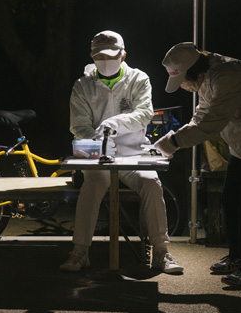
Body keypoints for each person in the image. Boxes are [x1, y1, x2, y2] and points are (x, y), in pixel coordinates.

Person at [155, 42, 241, 286]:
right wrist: (174, 139)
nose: (184, 86)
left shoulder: (228, 76)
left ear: (194, 70)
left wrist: (173, 142)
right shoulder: (209, 75)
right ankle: (238, 257)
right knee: (230, 199)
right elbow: (202, 114)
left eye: (184, 79)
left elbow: (210, 124)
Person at [61, 30, 183, 274]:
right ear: (92, 56)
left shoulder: (138, 79)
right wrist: (95, 139)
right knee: (92, 185)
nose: (104, 61)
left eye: (110, 56)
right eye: (99, 57)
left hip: (133, 153)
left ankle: (160, 251)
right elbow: (79, 124)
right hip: (98, 156)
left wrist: (115, 123)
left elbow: (144, 114)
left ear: (123, 55)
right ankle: (80, 251)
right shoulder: (82, 85)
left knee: (151, 183)